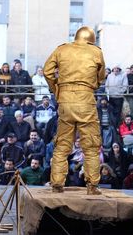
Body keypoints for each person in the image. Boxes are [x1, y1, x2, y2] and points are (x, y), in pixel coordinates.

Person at [43, 26, 105, 194]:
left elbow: (47, 72)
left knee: (62, 144)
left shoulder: (61, 49)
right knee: (91, 146)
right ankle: (92, 186)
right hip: (86, 101)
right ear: (91, 39)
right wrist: (92, 87)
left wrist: (57, 90)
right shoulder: (96, 52)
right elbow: (101, 77)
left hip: (65, 101)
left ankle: (56, 183)